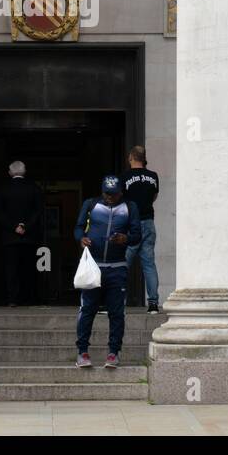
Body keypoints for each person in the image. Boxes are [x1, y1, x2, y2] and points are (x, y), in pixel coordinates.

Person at [74, 175, 141, 368]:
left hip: (117, 267)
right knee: (87, 310)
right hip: (93, 267)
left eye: (113, 194)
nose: (109, 198)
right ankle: (82, 352)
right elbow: (78, 228)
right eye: (106, 193)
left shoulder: (130, 207)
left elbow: (137, 235)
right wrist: (81, 239)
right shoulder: (91, 204)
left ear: (121, 192)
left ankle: (113, 353)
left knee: (117, 313)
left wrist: (125, 239)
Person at [0, 160, 43, 306]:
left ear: (10, 173)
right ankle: (29, 297)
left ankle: (13, 299)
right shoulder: (34, 188)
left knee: (11, 269)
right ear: (24, 171)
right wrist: (26, 226)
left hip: (10, 238)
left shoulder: (3, 189)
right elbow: (38, 211)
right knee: (29, 268)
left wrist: (13, 227)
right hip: (30, 237)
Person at [119, 145, 161, 312]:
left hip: (132, 224)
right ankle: (153, 303)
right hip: (149, 222)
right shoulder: (153, 176)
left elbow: (119, 199)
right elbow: (154, 196)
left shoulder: (125, 176)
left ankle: (118, 302)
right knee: (149, 264)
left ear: (131, 157)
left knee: (122, 265)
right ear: (144, 158)